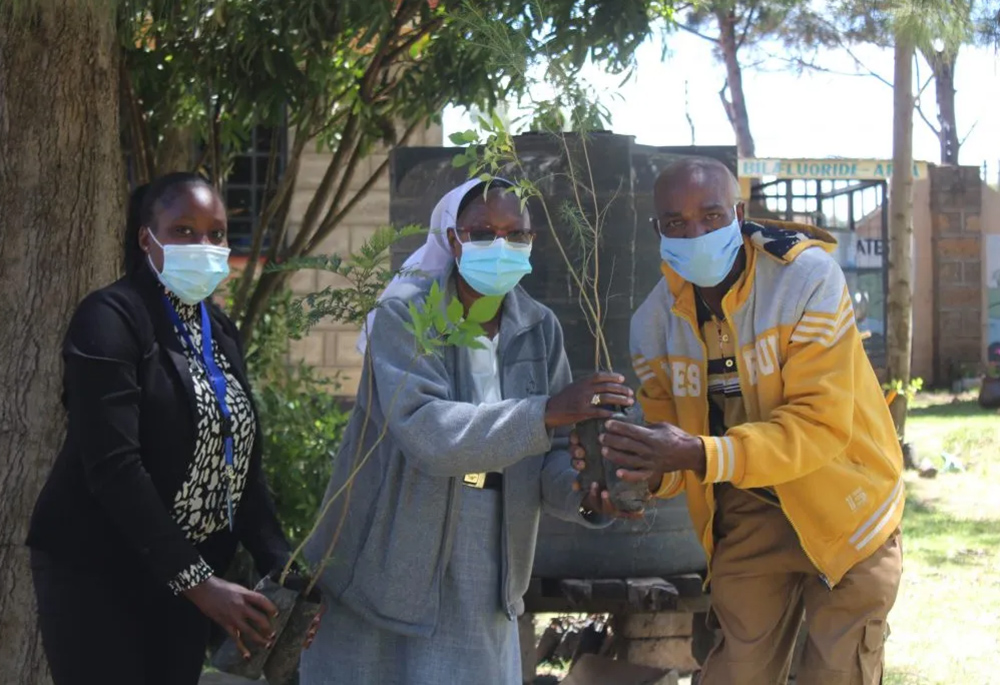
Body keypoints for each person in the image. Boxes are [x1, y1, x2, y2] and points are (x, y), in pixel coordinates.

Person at [576, 157, 904, 684]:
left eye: (710, 216)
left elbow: (819, 425)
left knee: (837, 673)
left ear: (739, 211)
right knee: (737, 673)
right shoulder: (653, 325)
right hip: (747, 513)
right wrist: (637, 473)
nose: (696, 233)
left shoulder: (804, 278)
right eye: (676, 223)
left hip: (847, 506)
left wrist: (695, 454)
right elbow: (673, 448)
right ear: (657, 229)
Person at [300, 177, 635, 685]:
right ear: (453, 239)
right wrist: (546, 410)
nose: (500, 247)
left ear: (532, 242)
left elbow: (554, 456)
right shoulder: (405, 316)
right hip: (395, 543)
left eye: (515, 234)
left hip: (490, 545)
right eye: (482, 233)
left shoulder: (539, 327)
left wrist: (589, 495)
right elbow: (428, 434)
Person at [26, 173, 316, 685]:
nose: (204, 246)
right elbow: (114, 468)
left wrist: (284, 568)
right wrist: (200, 584)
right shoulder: (110, 317)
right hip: (99, 572)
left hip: (188, 580)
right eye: (184, 230)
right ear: (147, 238)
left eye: (216, 234)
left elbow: (239, 469)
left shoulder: (218, 330)